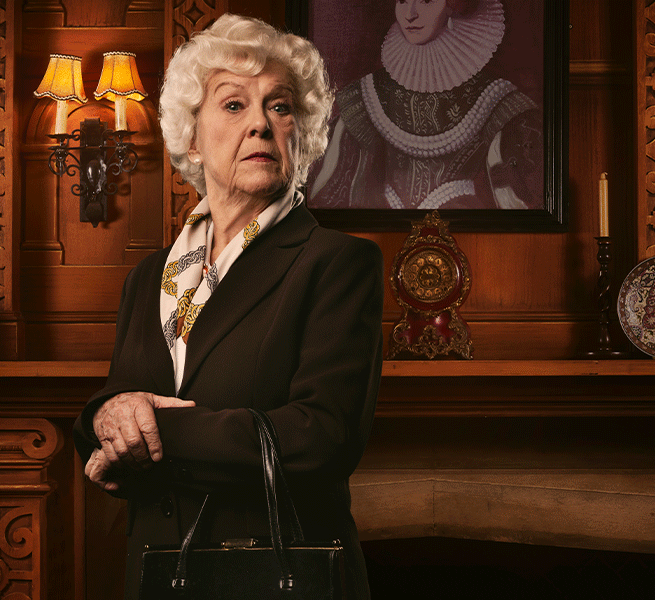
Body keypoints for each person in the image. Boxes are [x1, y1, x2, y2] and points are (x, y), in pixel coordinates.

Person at [72, 13, 384, 600]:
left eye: (281, 106)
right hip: (161, 574)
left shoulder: (336, 262)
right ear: (192, 136)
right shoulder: (150, 277)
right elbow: (116, 404)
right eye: (234, 105)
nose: (261, 125)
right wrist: (106, 417)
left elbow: (321, 436)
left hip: (279, 578)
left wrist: (156, 428)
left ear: (303, 134)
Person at [308, 0, 543, 210]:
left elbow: (515, 205)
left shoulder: (496, 97)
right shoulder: (366, 95)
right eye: (402, 1)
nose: (410, 14)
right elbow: (331, 203)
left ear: (453, 5)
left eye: (426, 1)